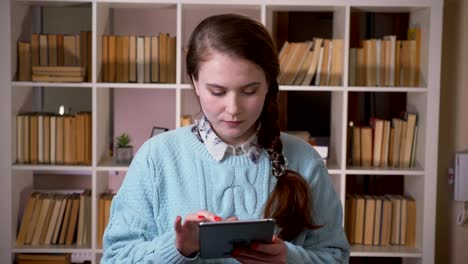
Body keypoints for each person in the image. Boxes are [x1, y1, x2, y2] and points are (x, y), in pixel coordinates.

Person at [102, 13, 350, 263]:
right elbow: (115, 258)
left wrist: (289, 258)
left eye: (249, 91)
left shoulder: (304, 159)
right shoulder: (156, 157)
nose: (233, 108)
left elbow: (336, 257)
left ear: (268, 85)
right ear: (195, 83)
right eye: (217, 91)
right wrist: (177, 248)